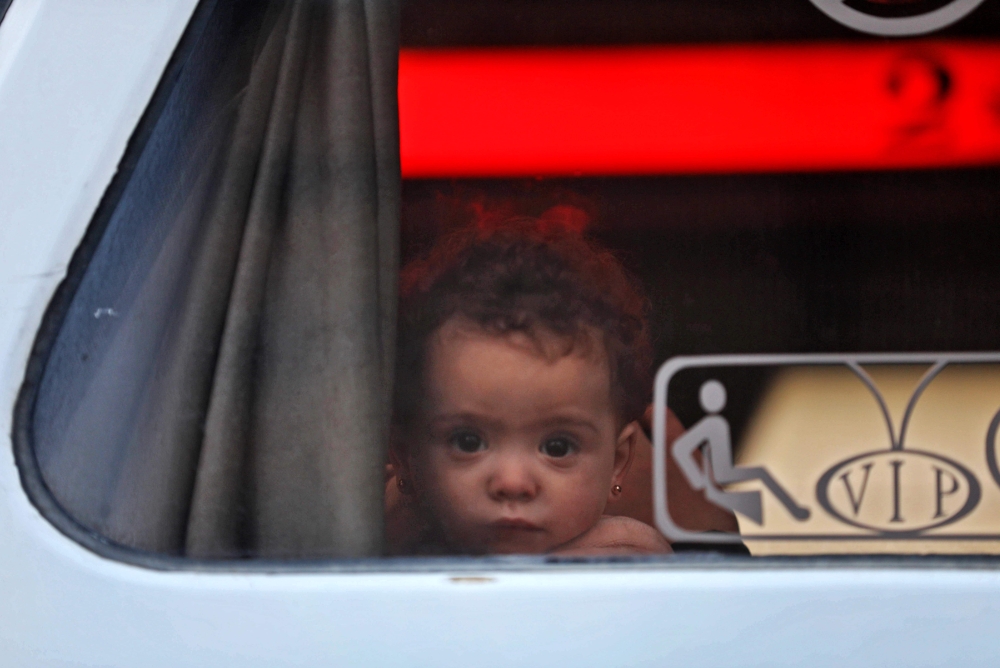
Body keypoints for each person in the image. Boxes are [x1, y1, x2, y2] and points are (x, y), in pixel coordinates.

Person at [386, 218, 671, 555]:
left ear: (618, 461)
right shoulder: (366, 566)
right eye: (467, 442)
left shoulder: (629, 571)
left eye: (558, 448)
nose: (512, 483)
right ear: (405, 455)